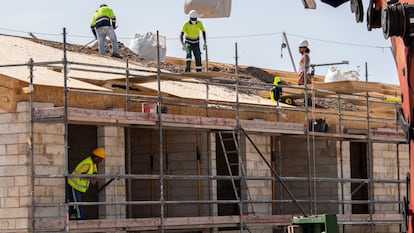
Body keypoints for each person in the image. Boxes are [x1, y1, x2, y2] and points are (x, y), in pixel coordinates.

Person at [66, 147, 106, 220]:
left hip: (78, 189)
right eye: (101, 159)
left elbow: (94, 172)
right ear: (96, 157)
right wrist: (91, 177)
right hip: (73, 186)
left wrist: (95, 176)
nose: (101, 161)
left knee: (78, 204)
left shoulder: (93, 163)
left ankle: (78, 218)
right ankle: (78, 219)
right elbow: (78, 174)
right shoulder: (87, 164)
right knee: (76, 204)